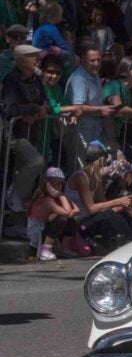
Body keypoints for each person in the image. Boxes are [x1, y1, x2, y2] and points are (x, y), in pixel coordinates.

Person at [64, 141, 132, 244]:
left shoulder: (96, 177)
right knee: (110, 215)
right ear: (100, 159)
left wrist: (123, 205)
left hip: (91, 219)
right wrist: (118, 201)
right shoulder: (81, 177)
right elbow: (91, 208)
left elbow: (103, 205)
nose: (108, 158)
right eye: (105, 156)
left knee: (123, 214)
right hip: (78, 222)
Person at [1, 45, 46, 214]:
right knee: (35, 161)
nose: (37, 59)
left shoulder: (35, 79)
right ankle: (13, 194)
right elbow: (9, 109)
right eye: (33, 56)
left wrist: (41, 111)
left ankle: (18, 216)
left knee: (25, 172)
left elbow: (46, 102)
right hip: (14, 134)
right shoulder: (11, 80)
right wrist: (32, 108)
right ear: (21, 60)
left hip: (32, 131)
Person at [65, 42, 116, 144]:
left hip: (95, 133)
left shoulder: (95, 76)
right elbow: (77, 107)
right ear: (82, 60)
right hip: (81, 134)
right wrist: (101, 110)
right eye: (92, 61)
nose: (96, 64)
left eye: (98, 60)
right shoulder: (79, 79)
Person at [26, 167, 80, 260]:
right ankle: (45, 250)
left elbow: (77, 210)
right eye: (54, 184)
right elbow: (67, 212)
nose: (58, 187)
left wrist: (61, 197)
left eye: (60, 184)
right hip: (37, 235)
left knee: (71, 221)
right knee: (62, 219)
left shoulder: (57, 198)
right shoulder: (46, 200)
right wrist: (61, 195)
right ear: (46, 184)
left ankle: (63, 248)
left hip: (46, 228)